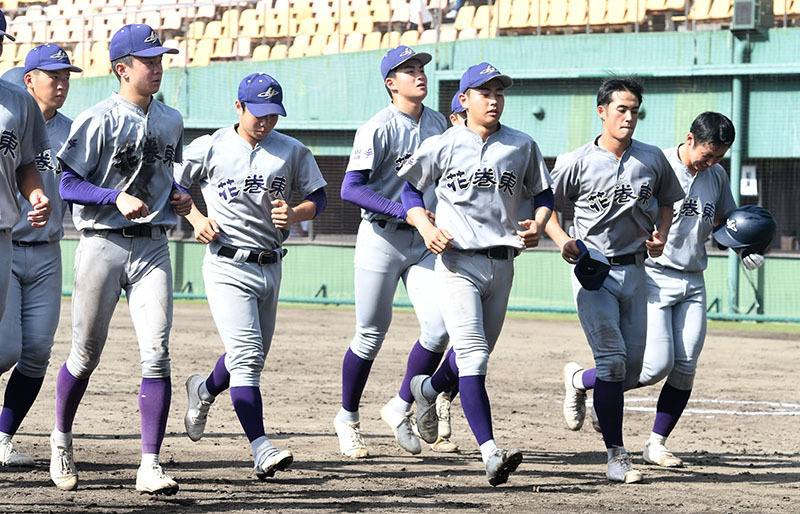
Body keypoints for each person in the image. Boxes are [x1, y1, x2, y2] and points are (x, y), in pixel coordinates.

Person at [571, 113, 767, 469]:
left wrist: (746, 247)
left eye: (719, 157)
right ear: (689, 139)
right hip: (653, 275)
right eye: (707, 155)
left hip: (693, 279)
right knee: (655, 365)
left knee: (686, 365)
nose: (711, 163)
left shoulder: (716, 175)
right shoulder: (656, 165)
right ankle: (581, 380)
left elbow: (727, 220)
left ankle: (656, 443)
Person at [49, 24, 191, 495]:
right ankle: (62, 439)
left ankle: (149, 465)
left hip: (152, 245)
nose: (157, 67)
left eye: (159, 59)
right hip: (102, 243)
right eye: (148, 60)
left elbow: (164, 174)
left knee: (158, 353)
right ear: (121, 68)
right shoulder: (97, 118)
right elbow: (68, 184)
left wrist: (180, 194)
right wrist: (113, 197)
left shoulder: (171, 119)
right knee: (85, 356)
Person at [400, 62, 554, 486]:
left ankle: (426, 391)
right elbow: (409, 189)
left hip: (502, 263)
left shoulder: (521, 145)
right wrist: (425, 225)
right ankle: (490, 452)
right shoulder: (443, 144)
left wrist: (539, 223)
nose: (494, 99)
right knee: (475, 357)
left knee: (469, 357)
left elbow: (544, 193)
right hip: (457, 263)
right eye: (484, 92)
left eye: (499, 92)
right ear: (464, 100)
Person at [178, 72, 327, 480]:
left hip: (271, 263)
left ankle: (204, 390)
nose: (265, 122)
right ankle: (261, 447)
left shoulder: (291, 150)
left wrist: (297, 213)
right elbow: (174, 186)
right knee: (246, 360)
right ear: (238, 107)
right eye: (257, 113)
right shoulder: (210, 147)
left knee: (250, 357)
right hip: (226, 263)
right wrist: (194, 216)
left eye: (272, 115)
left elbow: (320, 196)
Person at [546, 76, 685, 483]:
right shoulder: (575, 161)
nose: (628, 117)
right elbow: (547, 206)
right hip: (594, 271)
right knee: (612, 360)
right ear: (602, 111)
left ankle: (577, 381)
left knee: (632, 367)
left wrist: (661, 236)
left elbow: (665, 202)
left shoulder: (652, 159)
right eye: (621, 109)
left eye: (634, 110)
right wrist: (561, 239)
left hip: (637, 269)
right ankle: (616, 454)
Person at [333, 45, 450, 459]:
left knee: (439, 330)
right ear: (390, 83)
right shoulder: (377, 127)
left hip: (424, 242)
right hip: (381, 238)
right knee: (369, 335)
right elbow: (351, 188)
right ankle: (347, 418)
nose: (420, 75)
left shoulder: (440, 124)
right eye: (409, 70)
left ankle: (400, 405)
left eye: (421, 68)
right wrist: (407, 212)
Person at [0, 44, 79, 467]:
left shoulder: (74, 130)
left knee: (36, 352)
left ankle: (3, 437)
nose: (62, 83)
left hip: (48, 250)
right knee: (5, 350)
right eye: (55, 75)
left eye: (67, 75)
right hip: (7, 247)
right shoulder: (10, 111)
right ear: (30, 79)